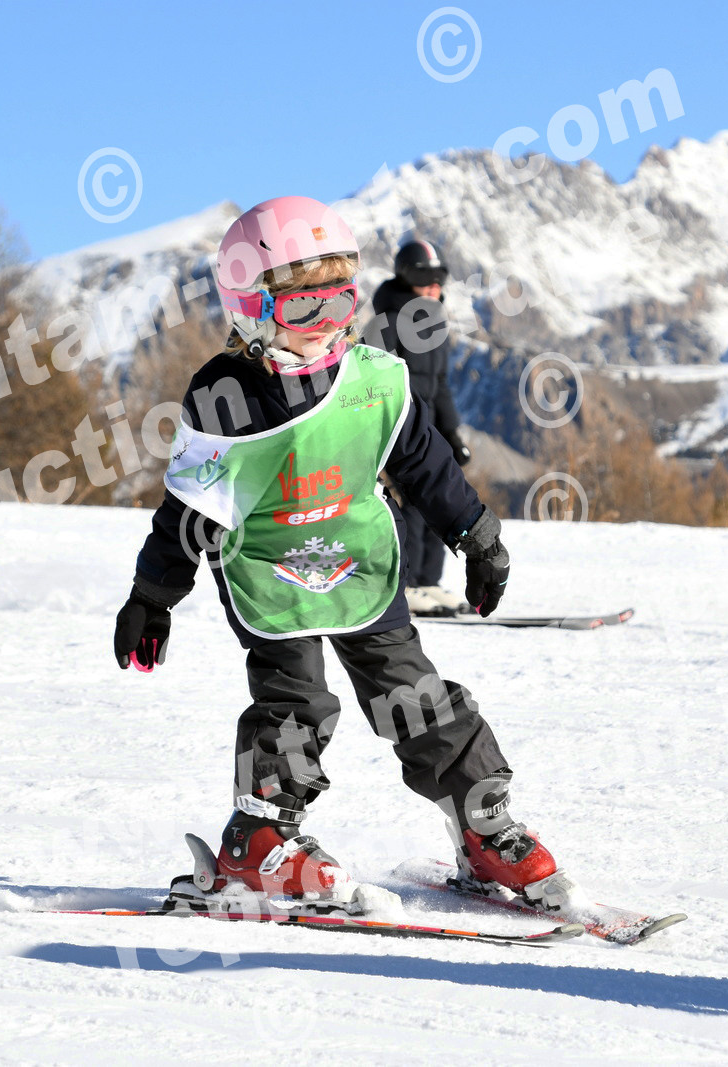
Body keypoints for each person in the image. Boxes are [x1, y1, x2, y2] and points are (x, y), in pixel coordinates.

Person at [111, 197, 580, 917]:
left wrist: (476, 533)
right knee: (296, 703)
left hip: (360, 562)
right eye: (305, 308)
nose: (327, 325)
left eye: (340, 303)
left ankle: (483, 824)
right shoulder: (226, 396)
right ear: (251, 308)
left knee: (416, 696)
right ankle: (259, 841)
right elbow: (190, 509)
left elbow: (425, 464)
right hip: (269, 571)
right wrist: (153, 596)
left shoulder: (374, 379)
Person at [364, 240, 472, 617]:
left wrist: (453, 434)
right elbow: (370, 382)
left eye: (438, 280)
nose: (433, 287)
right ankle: (405, 584)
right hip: (397, 430)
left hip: (429, 431)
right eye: (424, 279)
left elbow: (440, 384)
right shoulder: (386, 323)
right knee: (408, 503)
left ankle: (427, 581)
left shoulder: (434, 324)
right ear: (406, 278)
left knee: (436, 501)